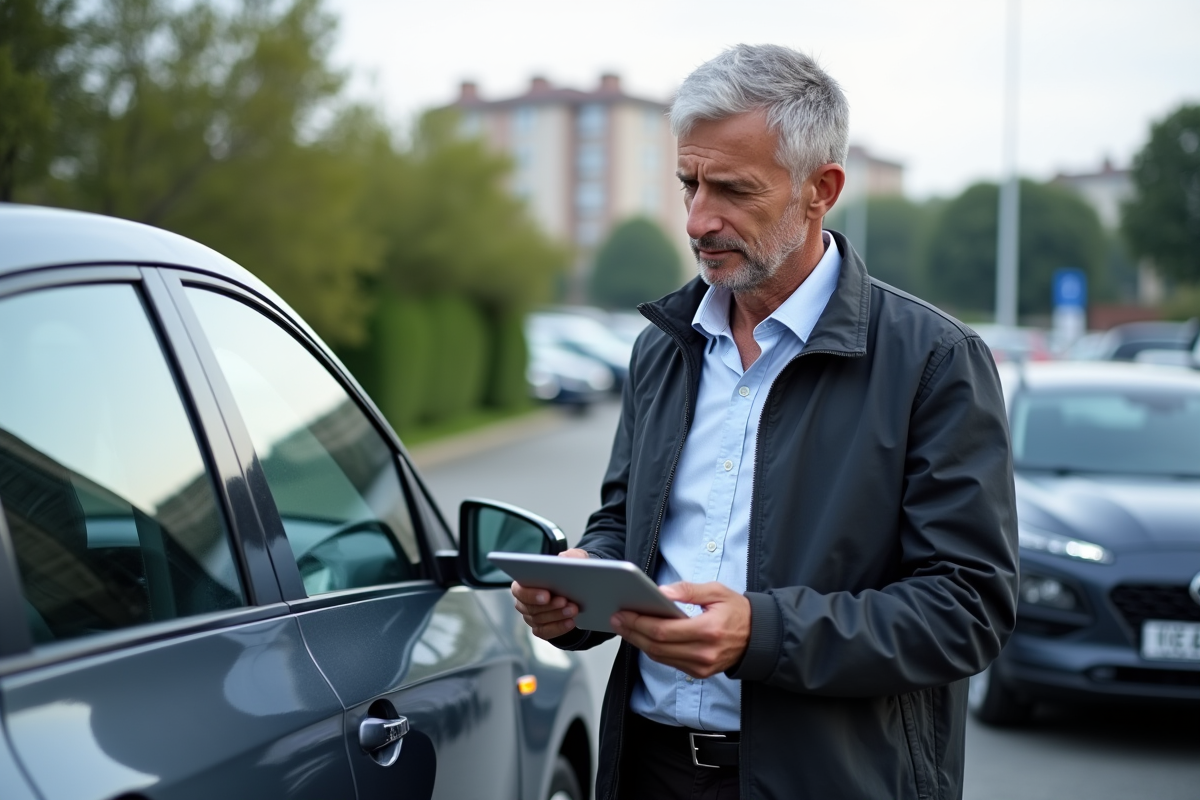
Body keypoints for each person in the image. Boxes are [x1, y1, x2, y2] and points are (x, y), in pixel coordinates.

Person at [512, 44, 1018, 800]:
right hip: (647, 770)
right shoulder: (663, 347)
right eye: (688, 184)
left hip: (833, 782)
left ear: (821, 190)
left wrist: (762, 633)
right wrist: (579, 593)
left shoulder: (934, 361)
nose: (697, 219)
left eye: (733, 189)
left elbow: (968, 609)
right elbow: (624, 523)